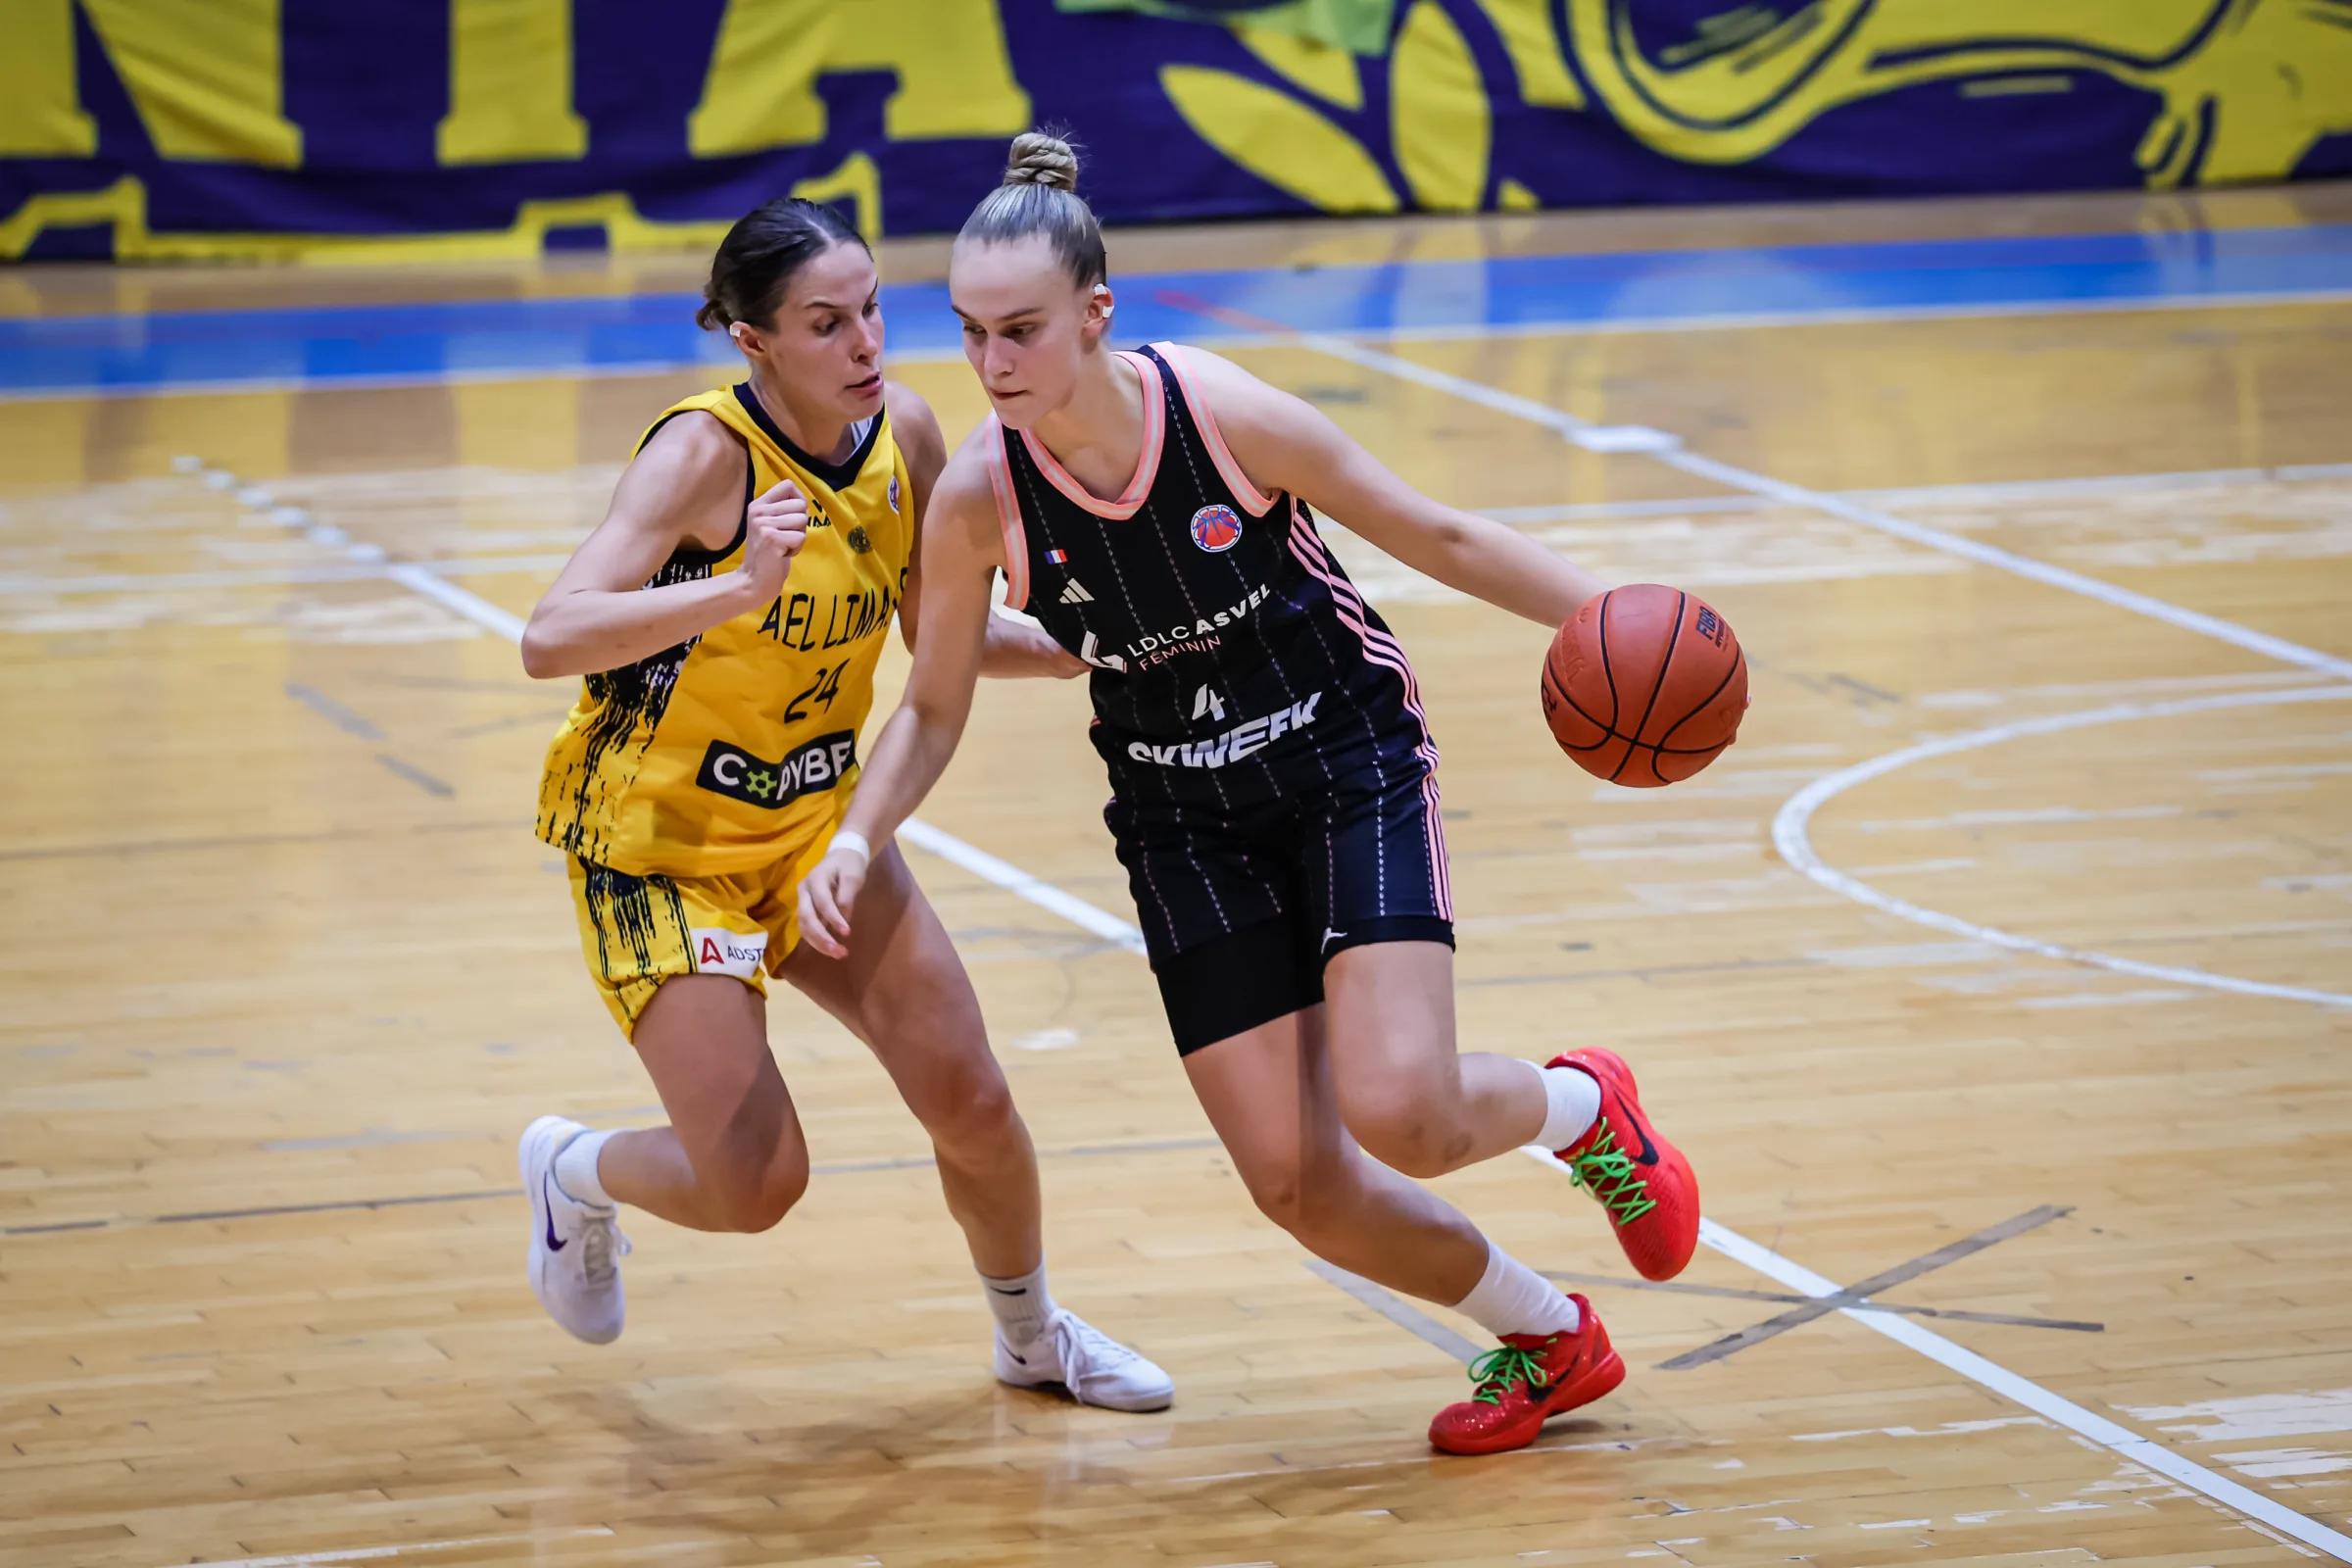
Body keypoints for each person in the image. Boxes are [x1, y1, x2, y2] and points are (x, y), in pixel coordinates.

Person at [796, 135, 1701, 1456]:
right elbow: (934, 701)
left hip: (1343, 759)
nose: (995, 367)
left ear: (1097, 313)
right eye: (975, 335)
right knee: (1301, 1186)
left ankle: (1583, 1110)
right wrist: (859, 835)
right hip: (1181, 821)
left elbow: (1438, 534)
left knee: (1410, 1111)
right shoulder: (983, 497)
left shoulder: (1223, 414)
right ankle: (1552, 1337)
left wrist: (1619, 616)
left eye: (1024, 332)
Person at [514, 193, 1170, 1413]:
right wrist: (730, 587)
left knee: (969, 1092)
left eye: (872, 310)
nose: (866, 343)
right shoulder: (702, 456)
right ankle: (575, 1171)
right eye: (827, 323)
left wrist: (1093, 643)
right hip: (661, 848)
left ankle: (1031, 1334)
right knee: (758, 1183)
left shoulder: (905, 436)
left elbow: (938, 635)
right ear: (754, 342)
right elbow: (551, 637)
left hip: (816, 827)